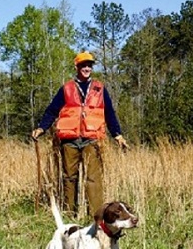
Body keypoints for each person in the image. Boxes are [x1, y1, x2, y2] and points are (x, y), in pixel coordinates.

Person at [31, 51, 129, 217]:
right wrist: (41, 128)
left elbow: (109, 113)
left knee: (93, 180)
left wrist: (117, 134)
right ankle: (69, 216)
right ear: (76, 66)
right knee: (69, 178)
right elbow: (52, 110)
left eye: (89, 65)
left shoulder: (100, 89)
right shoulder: (67, 88)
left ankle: (97, 219)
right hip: (70, 141)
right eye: (83, 65)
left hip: (92, 139)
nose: (86, 68)